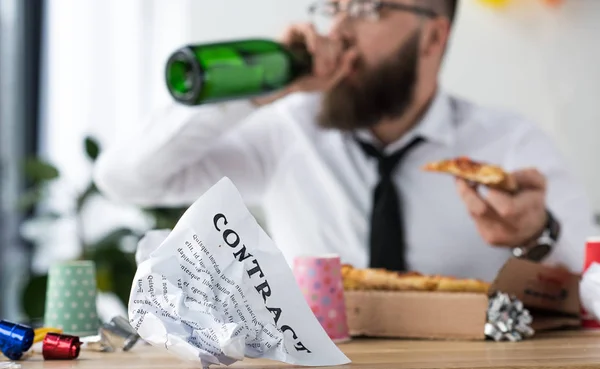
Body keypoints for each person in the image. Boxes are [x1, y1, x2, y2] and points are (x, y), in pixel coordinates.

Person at [93, 0, 598, 281]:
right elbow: (124, 179)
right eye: (333, 6)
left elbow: (592, 283)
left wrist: (538, 234)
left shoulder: (507, 143)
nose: (339, 29)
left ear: (433, 38)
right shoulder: (286, 128)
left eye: (367, 8)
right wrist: (253, 93)